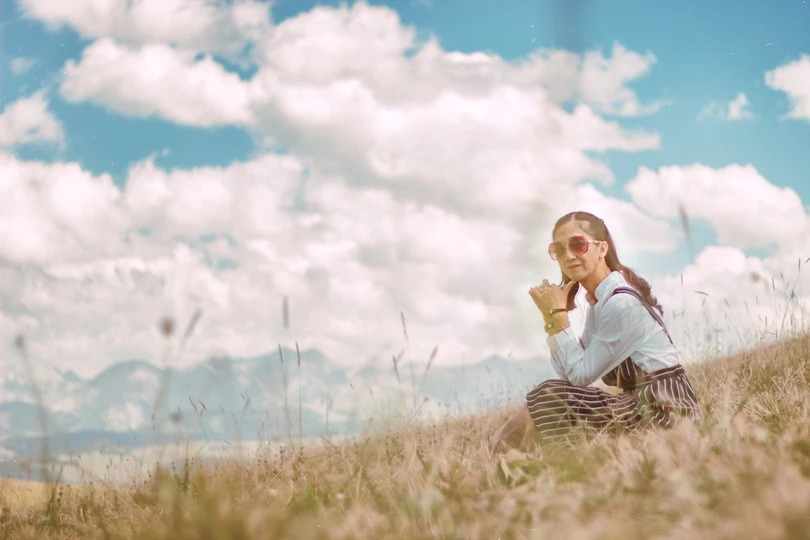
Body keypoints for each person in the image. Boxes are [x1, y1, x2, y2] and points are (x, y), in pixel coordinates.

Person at [489, 211, 700, 453]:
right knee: (551, 397)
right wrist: (550, 318)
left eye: (578, 245)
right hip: (640, 404)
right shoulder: (599, 302)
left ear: (602, 249)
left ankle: (496, 457)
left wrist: (558, 314)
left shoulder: (620, 304)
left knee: (550, 397)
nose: (568, 256)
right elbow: (569, 373)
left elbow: (580, 376)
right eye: (559, 249)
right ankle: (504, 458)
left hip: (666, 411)